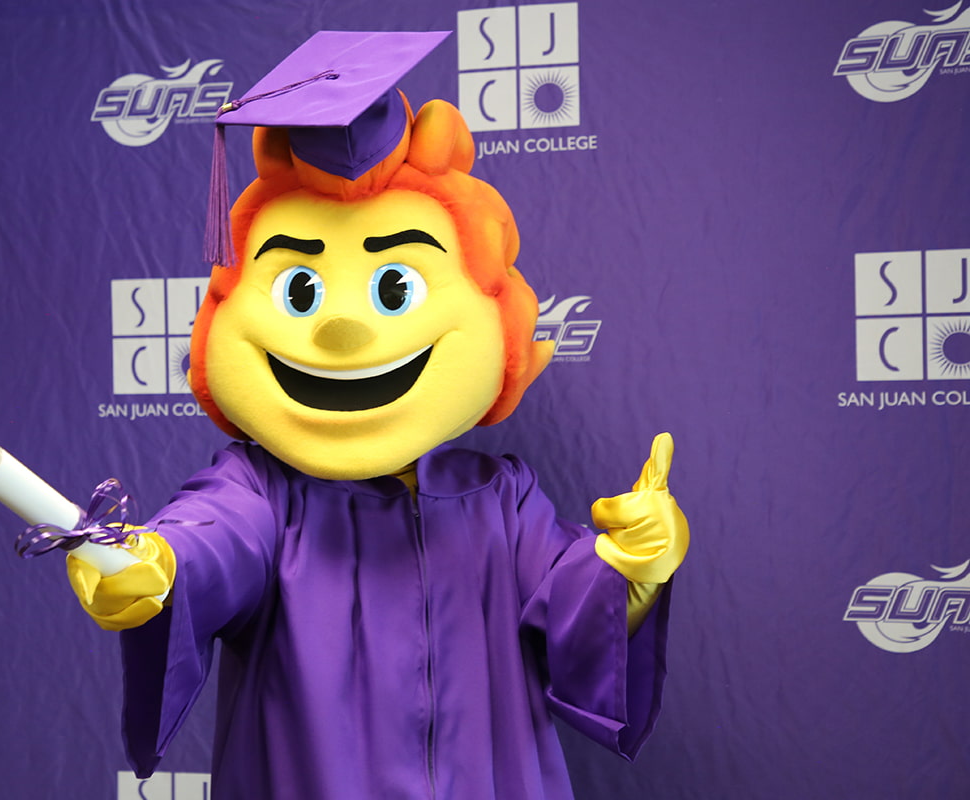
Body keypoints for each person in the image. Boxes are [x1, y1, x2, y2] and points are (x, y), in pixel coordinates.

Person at [66, 31, 689, 799]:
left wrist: (629, 568)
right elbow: (208, 540)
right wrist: (155, 567)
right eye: (301, 291)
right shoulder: (263, 495)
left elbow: (572, 605)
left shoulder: (499, 499)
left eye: (396, 287)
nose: (342, 330)